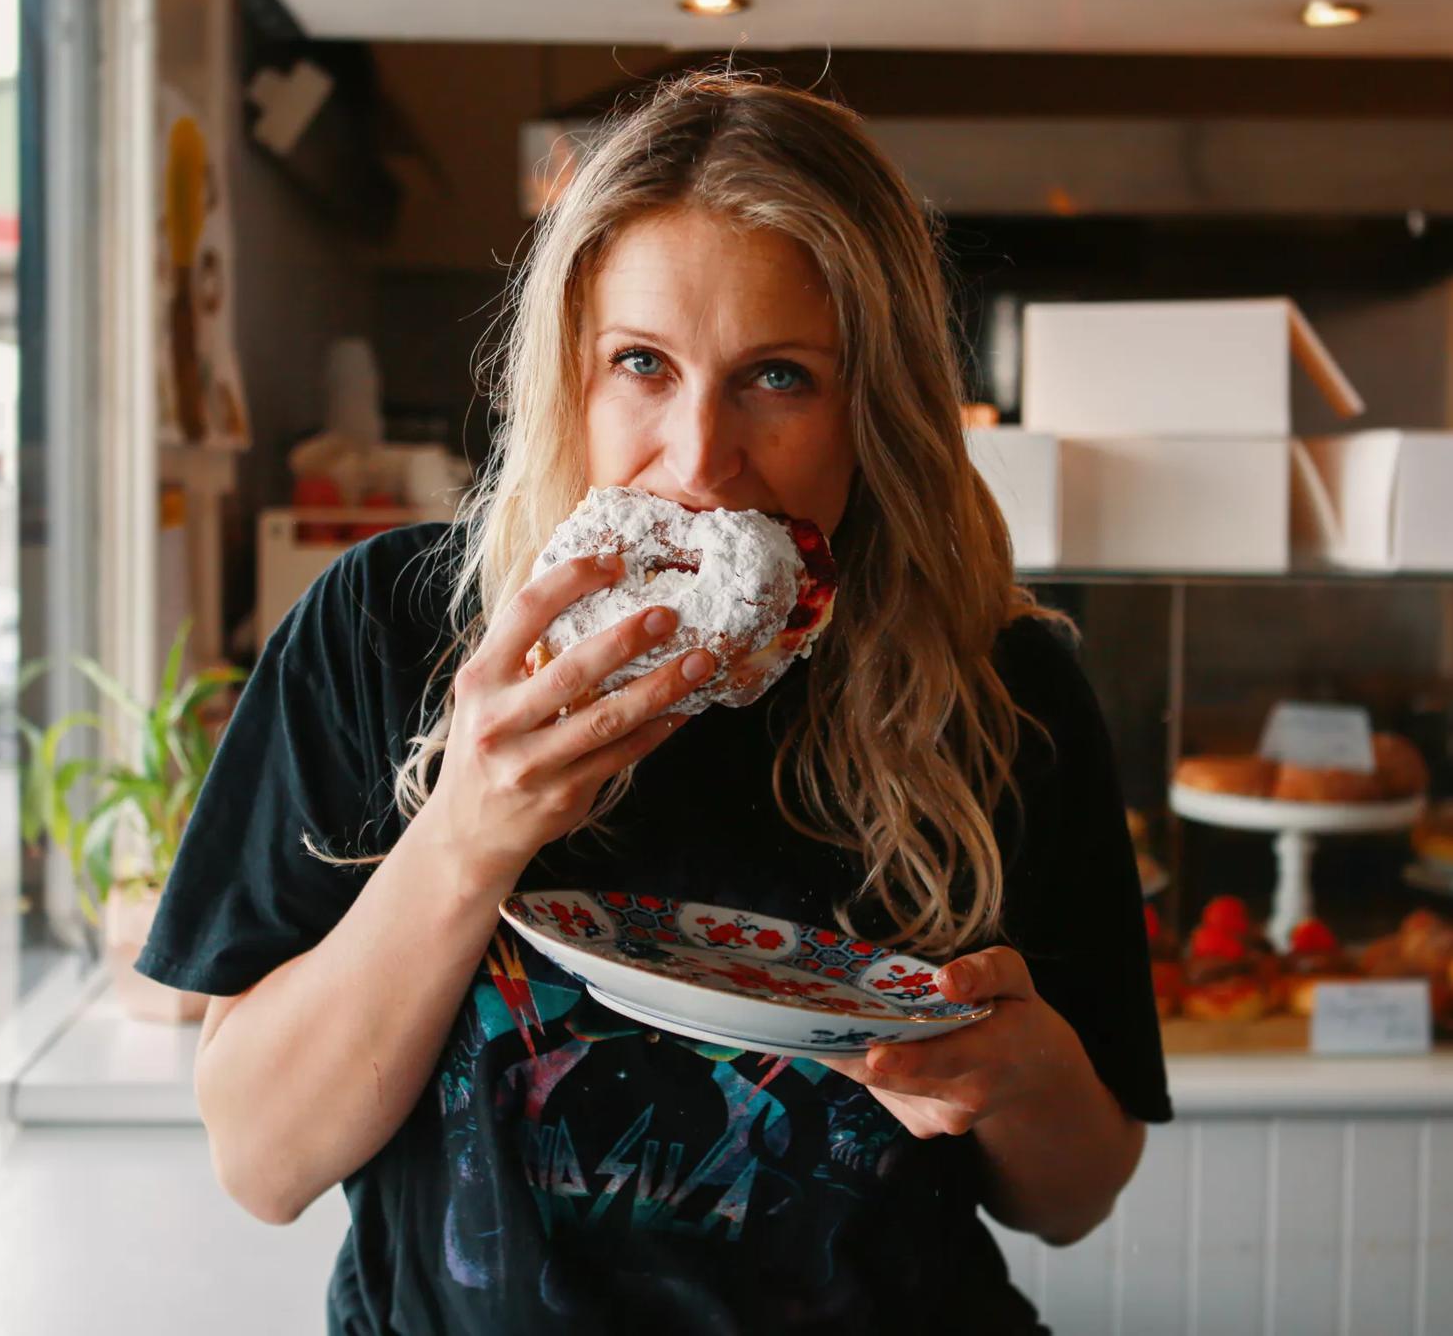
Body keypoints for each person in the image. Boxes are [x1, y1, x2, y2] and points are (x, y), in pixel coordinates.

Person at [134, 65, 1172, 1335]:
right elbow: (259, 1162)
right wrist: (468, 830)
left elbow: (1076, 1196)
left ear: (875, 406)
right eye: (642, 363)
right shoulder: (386, 630)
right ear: (568, 375)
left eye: (779, 376)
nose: (699, 458)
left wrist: (1021, 1072)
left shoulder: (1000, 684)